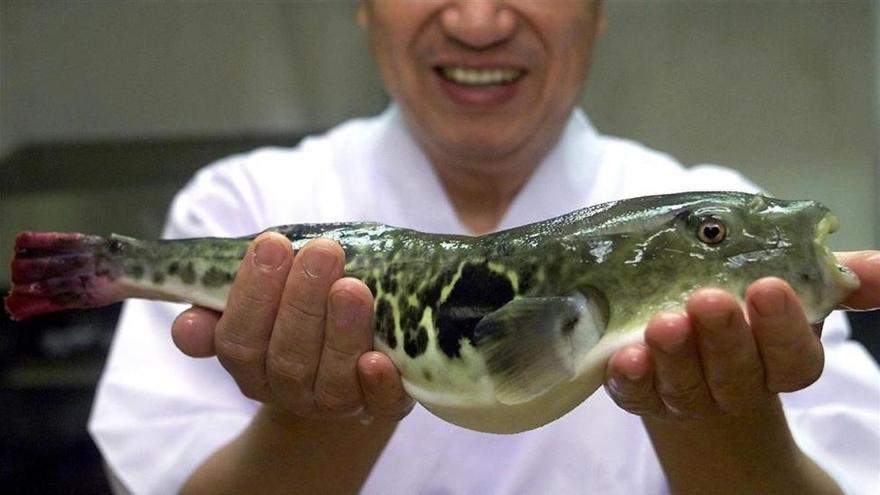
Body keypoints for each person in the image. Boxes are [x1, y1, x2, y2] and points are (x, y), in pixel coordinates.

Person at [89, 1, 880, 494]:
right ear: (362, 7)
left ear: (600, 9)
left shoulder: (718, 195)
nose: (478, 19)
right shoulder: (242, 204)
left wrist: (716, 408)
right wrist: (320, 406)